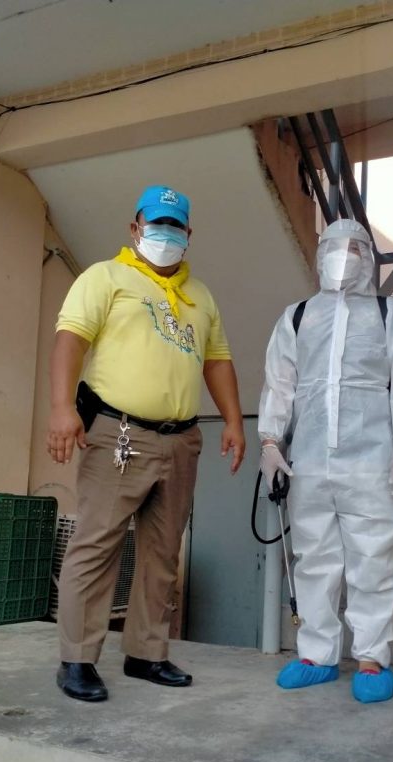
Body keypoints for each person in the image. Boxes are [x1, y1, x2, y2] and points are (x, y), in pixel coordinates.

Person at [48, 185, 245, 703]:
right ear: (134, 228)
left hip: (180, 440)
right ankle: (76, 659)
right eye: (155, 223)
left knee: (163, 551)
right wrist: (62, 408)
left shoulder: (201, 295)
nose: (165, 233)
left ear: (189, 234)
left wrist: (233, 421)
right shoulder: (106, 277)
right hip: (119, 432)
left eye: (174, 226)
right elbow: (71, 339)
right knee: (97, 545)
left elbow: (217, 361)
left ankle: (146, 653)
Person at [257, 218, 393, 704]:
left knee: (373, 560)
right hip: (309, 463)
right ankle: (317, 655)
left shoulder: (392, 317)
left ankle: (372, 658)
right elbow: (280, 384)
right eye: (334, 247)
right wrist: (270, 441)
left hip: (372, 462)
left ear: (369, 259)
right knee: (314, 559)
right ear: (319, 257)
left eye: (355, 248)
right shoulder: (296, 317)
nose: (344, 256)